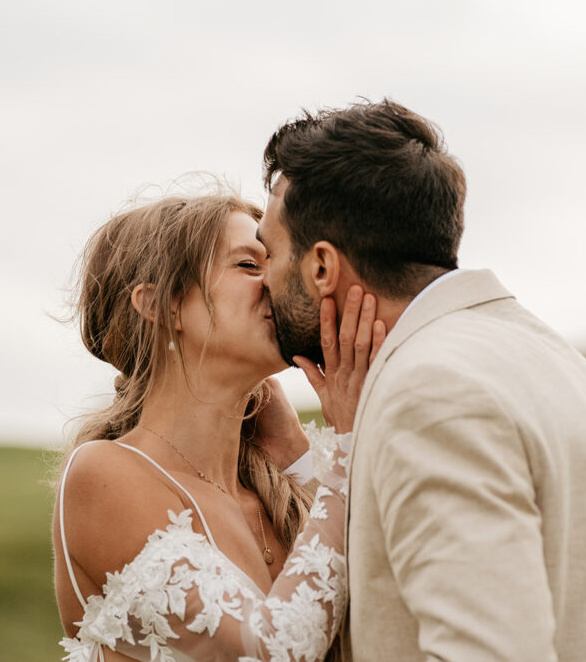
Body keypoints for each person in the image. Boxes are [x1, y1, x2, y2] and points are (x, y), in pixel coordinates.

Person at [257, 99, 586, 661]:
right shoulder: (557, 360)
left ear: (321, 266)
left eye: (267, 253)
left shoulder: (430, 396)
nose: (263, 281)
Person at [53, 191, 384, 661]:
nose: (277, 279)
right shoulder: (104, 476)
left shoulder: (290, 486)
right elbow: (263, 653)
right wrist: (348, 449)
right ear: (161, 305)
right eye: (249, 265)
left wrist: (298, 454)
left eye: (275, 260)